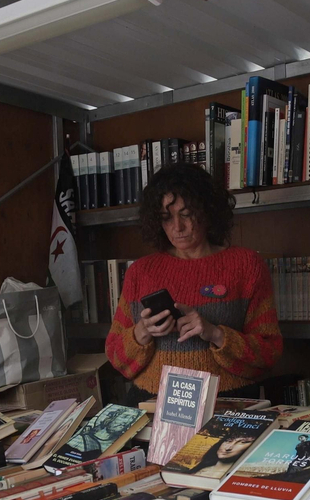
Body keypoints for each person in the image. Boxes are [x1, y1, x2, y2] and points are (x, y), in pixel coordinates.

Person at [105, 162, 282, 402]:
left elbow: (269, 353)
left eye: (186, 214)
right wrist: (141, 332)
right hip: (151, 404)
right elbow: (116, 357)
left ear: (207, 211)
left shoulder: (247, 265)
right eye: (166, 218)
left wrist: (216, 334)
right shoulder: (140, 272)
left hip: (224, 403)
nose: (177, 227)